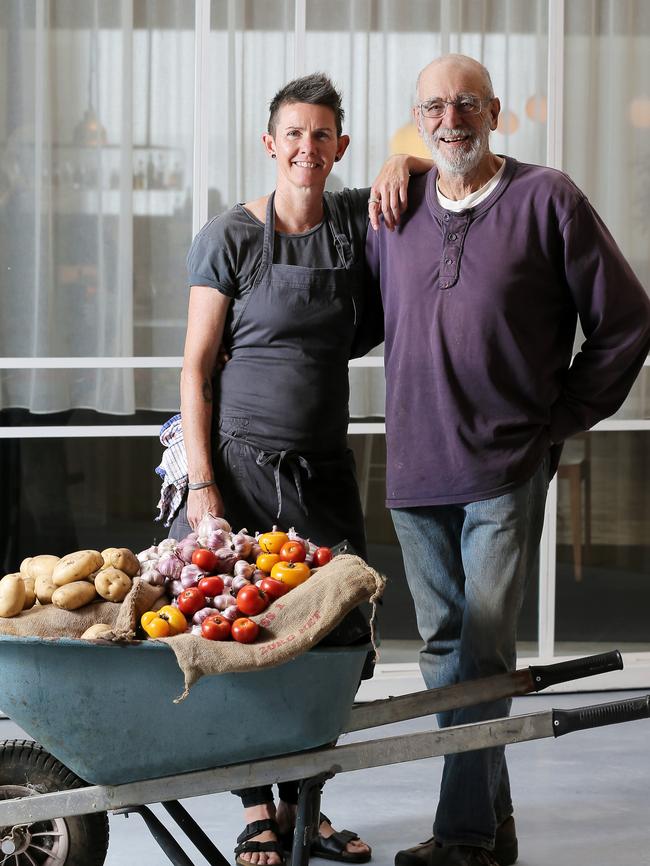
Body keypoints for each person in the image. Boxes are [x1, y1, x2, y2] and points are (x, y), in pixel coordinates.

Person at [365, 54, 650, 866]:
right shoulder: (398, 203)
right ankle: (494, 827)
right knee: (442, 652)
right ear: (418, 120)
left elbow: (627, 321)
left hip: (502, 468)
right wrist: (400, 164)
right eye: (433, 109)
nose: (450, 120)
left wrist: (560, 416)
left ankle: (460, 839)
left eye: (466, 105)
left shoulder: (547, 198)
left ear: (495, 112)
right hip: (416, 470)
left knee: (483, 652)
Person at [165, 73, 431, 866]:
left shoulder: (355, 222)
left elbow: (438, 156)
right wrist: (205, 486)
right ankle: (257, 814)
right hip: (239, 470)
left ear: (340, 148)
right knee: (243, 637)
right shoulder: (229, 237)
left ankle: (307, 806)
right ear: (269, 143)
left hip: (323, 472)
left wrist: (401, 165)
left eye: (323, 136)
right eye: (294, 135)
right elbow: (194, 368)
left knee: (329, 642)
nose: (307, 149)